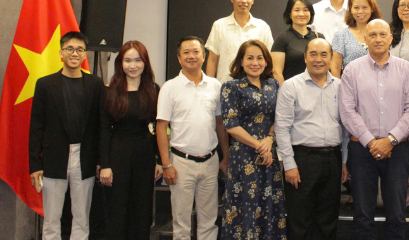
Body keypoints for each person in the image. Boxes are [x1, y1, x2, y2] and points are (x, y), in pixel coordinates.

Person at [339, 19, 409, 240]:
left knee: (397, 215)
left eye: (383, 34)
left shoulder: (406, 69)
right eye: (373, 35)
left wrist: (390, 140)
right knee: (362, 215)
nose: (378, 39)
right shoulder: (352, 70)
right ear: (365, 39)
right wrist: (371, 141)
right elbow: (347, 111)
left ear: (391, 38)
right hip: (361, 150)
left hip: (397, 150)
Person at [29, 31, 104, 240]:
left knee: (82, 217)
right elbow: (36, 127)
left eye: (80, 49)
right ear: (61, 53)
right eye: (69, 49)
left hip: (85, 157)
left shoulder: (95, 84)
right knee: (52, 218)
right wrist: (35, 164)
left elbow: (101, 126)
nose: (74, 53)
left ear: (85, 54)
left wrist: (101, 159)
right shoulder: (45, 85)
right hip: (54, 157)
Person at [275, 38, 349, 240]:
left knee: (328, 220)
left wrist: (343, 161)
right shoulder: (291, 86)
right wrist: (289, 164)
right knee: (300, 220)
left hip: (333, 159)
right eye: (313, 54)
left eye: (324, 54)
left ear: (331, 58)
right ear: (305, 58)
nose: (318, 59)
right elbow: (281, 128)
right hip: (302, 160)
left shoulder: (341, 86)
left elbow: (344, 128)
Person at [156, 36, 228, 240]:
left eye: (196, 52)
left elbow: (220, 123)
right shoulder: (170, 87)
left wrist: (226, 156)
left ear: (204, 56)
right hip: (181, 163)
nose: (191, 56)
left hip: (210, 161)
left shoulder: (215, 85)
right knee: (181, 223)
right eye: (186, 52)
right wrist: (166, 164)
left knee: (209, 220)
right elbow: (161, 127)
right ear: (179, 58)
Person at [220, 40, 287, 239]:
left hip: (269, 157)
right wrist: (259, 145)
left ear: (266, 61)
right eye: (249, 58)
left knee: (270, 207)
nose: (255, 63)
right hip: (243, 158)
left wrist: (269, 139)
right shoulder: (230, 87)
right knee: (243, 209)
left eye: (259, 58)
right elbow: (231, 125)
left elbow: (280, 117)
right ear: (241, 61)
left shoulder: (274, 85)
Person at [99, 41, 162, 240]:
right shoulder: (109, 91)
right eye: (127, 60)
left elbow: (159, 128)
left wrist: (160, 160)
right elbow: (103, 129)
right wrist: (105, 165)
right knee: (117, 211)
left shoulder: (154, 89)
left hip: (144, 155)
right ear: (120, 63)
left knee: (142, 211)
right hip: (117, 155)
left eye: (137, 60)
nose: (133, 66)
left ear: (145, 63)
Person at [205, 0, 274, 83]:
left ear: (253, 0)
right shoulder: (219, 25)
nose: (244, 0)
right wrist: (209, 86)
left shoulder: (262, 27)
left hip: (255, 87)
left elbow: (270, 60)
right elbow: (212, 60)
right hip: (225, 86)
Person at [271, 0, 324, 84]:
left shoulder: (319, 37)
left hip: (317, 88)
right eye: (296, 10)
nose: (301, 14)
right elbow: (276, 72)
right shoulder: (282, 39)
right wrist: (285, 91)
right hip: (291, 90)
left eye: (305, 10)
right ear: (290, 14)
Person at [331, 0, 383, 77]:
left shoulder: (382, 34)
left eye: (365, 7)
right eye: (356, 8)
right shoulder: (341, 36)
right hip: (350, 84)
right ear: (350, 10)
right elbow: (335, 68)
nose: (360, 11)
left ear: (372, 9)